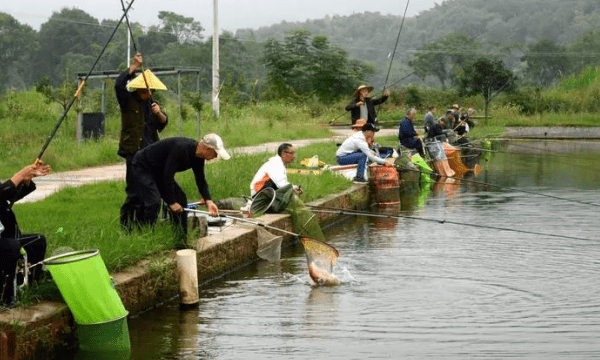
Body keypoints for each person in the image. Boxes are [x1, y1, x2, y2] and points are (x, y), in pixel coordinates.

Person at [129, 134, 230, 246]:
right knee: (153, 201)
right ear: (207, 149)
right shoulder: (181, 148)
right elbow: (168, 176)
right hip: (143, 166)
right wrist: (171, 202)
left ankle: (180, 241)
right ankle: (146, 239)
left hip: (160, 171)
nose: (215, 157)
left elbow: (200, 180)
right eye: (215, 154)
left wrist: (208, 201)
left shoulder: (199, 158)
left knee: (181, 200)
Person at [115, 52, 169, 231]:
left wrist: (159, 113)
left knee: (151, 189)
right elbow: (118, 84)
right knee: (133, 191)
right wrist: (134, 67)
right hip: (133, 151)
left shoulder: (152, 105)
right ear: (141, 89)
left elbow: (163, 122)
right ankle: (127, 226)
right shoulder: (127, 101)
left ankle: (146, 225)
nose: (150, 93)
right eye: (148, 90)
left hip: (150, 153)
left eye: (152, 91)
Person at [0, 161, 51, 307]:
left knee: (37, 242)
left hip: (5, 238)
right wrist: (19, 176)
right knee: (11, 247)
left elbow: (6, 198)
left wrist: (25, 180)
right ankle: (7, 298)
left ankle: (30, 289)